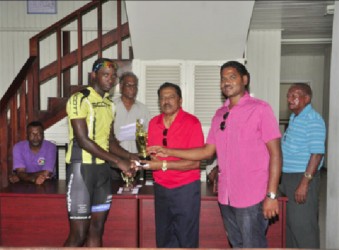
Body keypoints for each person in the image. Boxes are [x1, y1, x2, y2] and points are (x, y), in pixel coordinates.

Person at [147, 61, 282, 248]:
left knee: (253, 246)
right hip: (226, 196)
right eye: (223, 78)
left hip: (252, 196)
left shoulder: (260, 109)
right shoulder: (220, 114)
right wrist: (167, 151)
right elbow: (207, 152)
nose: (226, 82)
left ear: (245, 79)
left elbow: (275, 154)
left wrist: (272, 195)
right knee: (237, 244)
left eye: (232, 77)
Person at [64, 58, 136, 247]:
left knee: (97, 228)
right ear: (93, 75)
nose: (110, 80)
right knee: (79, 234)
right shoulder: (79, 99)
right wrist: (117, 162)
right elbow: (84, 141)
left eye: (113, 76)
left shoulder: (110, 104)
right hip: (82, 170)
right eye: (106, 75)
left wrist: (130, 157)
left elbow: (110, 141)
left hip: (102, 173)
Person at [142, 82, 204, 248]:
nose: (166, 101)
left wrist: (163, 165)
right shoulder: (153, 123)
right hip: (161, 189)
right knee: (164, 238)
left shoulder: (192, 122)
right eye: (162, 98)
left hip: (185, 189)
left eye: (171, 97)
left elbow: (194, 162)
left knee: (186, 239)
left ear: (180, 100)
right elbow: (153, 158)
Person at [279, 83, 326, 248]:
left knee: (303, 227)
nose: (290, 99)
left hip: (302, 178)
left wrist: (304, 183)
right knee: (290, 226)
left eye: (295, 95)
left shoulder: (313, 119)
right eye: (288, 96)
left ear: (307, 98)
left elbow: (317, 153)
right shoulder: (295, 118)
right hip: (287, 177)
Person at [111, 71, 151, 180]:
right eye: (128, 85)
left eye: (134, 85)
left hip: (135, 161)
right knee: (114, 194)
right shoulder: (111, 106)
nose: (132, 88)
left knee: (135, 193)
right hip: (114, 161)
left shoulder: (143, 109)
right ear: (121, 86)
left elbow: (148, 135)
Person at [10, 121, 57, 185]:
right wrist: (33, 179)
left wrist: (22, 176)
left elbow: (46, 173)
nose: (35, 137)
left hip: (47, 183)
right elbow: (20, 172)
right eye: (32, 134)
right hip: (24, 184)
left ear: (43, 135)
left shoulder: (51, 147)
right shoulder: (18, 147)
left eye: (38, 134)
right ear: (27, 135)